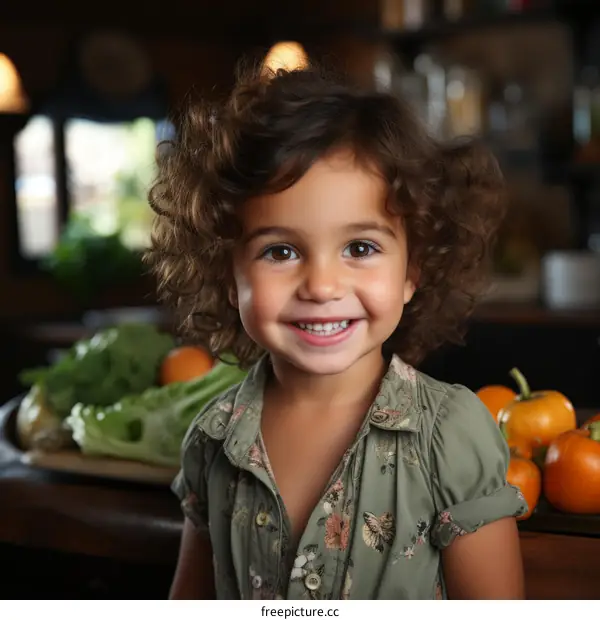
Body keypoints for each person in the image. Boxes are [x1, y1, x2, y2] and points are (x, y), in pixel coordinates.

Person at [145, 62, 528, 600]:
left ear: (411, 272)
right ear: (227, 276)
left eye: (360, 248)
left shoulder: (451, 435)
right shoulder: (211, 442)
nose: (322, 286)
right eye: (280, 251)